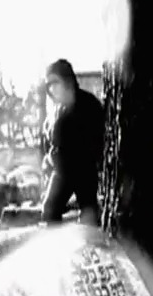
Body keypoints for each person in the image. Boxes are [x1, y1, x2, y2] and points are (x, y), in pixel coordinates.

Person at [41, 59, 108, 227]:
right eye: (49, 85)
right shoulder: (56, 110)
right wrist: (49, 159)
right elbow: (50, 140)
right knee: (49, 211)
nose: (52, 88)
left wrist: (89, 159)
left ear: (67, 80)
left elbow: (98, 137)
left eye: (55, 82)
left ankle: (89, 242)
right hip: (61, 171)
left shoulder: (89, 104)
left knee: (88, 214)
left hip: (84, 169)